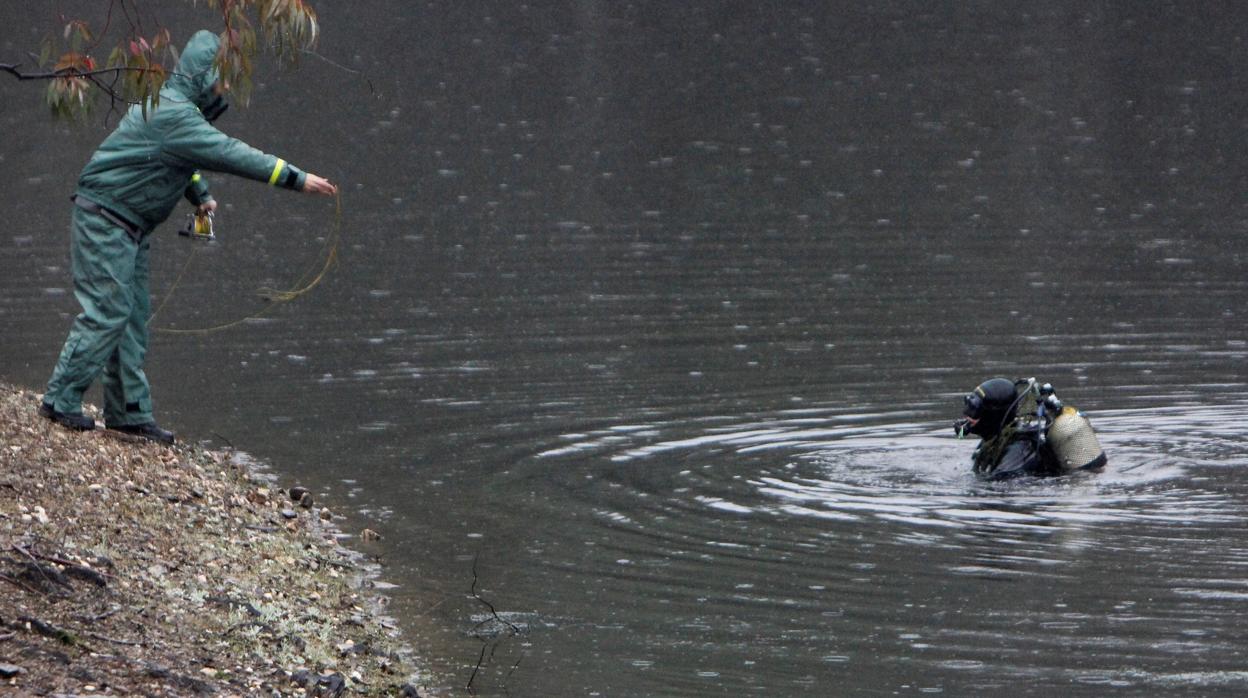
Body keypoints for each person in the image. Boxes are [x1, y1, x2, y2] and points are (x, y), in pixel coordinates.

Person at [39, 30, 338, 444]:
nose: (226, 89)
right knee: (108, 311)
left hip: (129, 226)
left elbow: (176, 158)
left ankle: (129, 413)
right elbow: (231, 153)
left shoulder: (168, 107)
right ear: (202, 76)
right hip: (105, 221)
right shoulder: (175, 116)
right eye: (221, 79)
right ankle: (59, 399)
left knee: (131, 318)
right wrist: (296, 178)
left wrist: (198, 195)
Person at [954, 377, 1107, 480]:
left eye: (974, 408)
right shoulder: (995, 439)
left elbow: (1003, 483)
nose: (967, 414)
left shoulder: (1019, 448)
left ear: (992, 415)